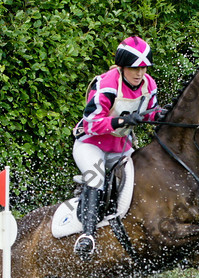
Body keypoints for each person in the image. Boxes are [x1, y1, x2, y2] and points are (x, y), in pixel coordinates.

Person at [72, 36, 161, 260]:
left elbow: (150, 114)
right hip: (91, 146)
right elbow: (91, 123)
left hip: (121, 148)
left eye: (143, 68)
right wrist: (121, 122)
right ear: (121, 67)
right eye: (134, 68)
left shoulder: (149, 84)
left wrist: (163, 114)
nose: (139, 73)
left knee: (144, 179)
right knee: (96, 179)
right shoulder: (106, 84)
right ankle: (87, 236)